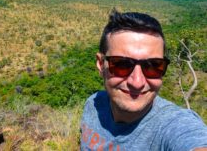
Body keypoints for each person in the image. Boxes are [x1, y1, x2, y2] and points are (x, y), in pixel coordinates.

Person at [81, 10, 207, 150]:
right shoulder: (93, 104)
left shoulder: (174, 125)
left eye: (153, 66)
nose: (137, 82)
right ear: (100, 64)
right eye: (122, 64)